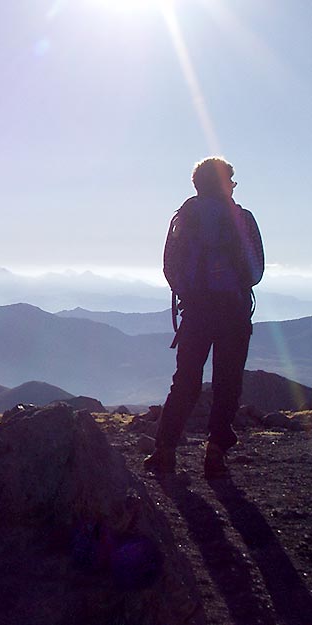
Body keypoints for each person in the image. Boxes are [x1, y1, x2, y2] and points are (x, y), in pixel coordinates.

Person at [144, 157, 264, 479]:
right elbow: (256, 272)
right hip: (234, 312)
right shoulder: (242, 218)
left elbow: (170, 266)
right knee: (228, 382)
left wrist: (191, 293)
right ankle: (215, 454)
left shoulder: (185, 218)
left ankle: (165, 450)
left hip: (196, 312)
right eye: (232, 181)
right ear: (225, 183)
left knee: (185, 380)